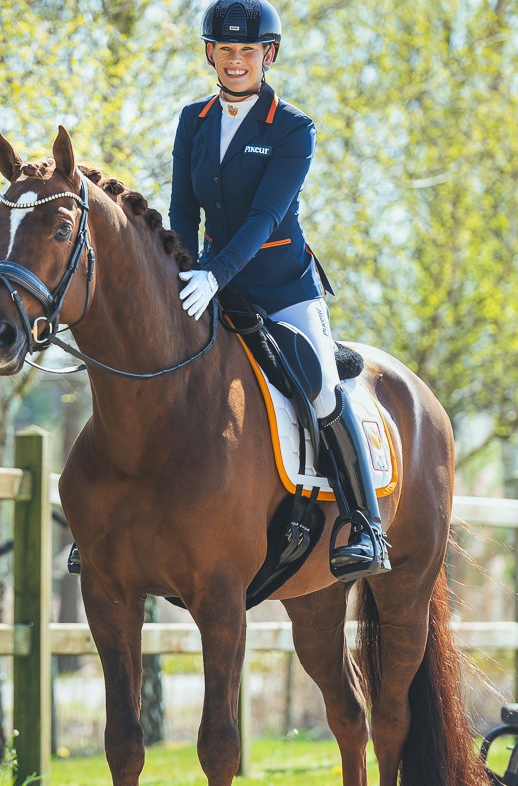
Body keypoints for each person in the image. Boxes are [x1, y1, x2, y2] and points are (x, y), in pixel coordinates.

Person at [171, 0, 391, 580]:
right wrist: (184, 271)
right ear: (210, 54)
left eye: (247, 51)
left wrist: (217, 272)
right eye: (225, 49)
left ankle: (363, 523)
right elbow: (180, 212)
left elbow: (267, 217)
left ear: (267, 55)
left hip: (281, 286)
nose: (236, 60)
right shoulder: (192, 121)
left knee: (318, 385)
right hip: (209, 284)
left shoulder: (293, 128)